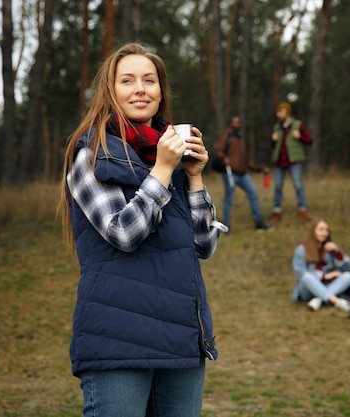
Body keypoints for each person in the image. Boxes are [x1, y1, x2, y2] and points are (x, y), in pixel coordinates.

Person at [58, 43, 221, 417]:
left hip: (181, 335)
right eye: (127, 80)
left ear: (161, 91)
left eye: (150, 80)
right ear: (110, 91)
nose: (140, 89)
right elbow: (124, 233)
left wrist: (194, 178)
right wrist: (163, 171)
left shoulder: (169, 152)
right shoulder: (91, 154)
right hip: (117, 338)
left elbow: (205, 244)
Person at [215, 116, 274, 232]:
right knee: (229, 199)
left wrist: (260, 169)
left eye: (238, 123)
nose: (236, 126)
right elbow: (219, 152)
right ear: (231, 124)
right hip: (230, 174)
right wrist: (224, 158)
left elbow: (246, 161)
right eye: (234, 123)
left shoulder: (240, 139)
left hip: (243, 174)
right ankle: (226, 226)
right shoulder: (226, 136)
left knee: (253, 193)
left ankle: (259, 222)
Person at [291, 218, 350, 312]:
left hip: (326, 286)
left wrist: (337, 252)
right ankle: (336, 301)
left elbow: (346, 267)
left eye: (326, 230)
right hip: (307, 289)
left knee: (349, 276)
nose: (324, 233)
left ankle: (319, 299)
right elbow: (300, 273)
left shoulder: (331, 248)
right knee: (306, 276)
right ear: (313, 231)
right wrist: (324, 276)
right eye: (320, 230)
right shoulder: (301, 250)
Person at [269, 102, 312, 224]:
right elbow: (273, 146)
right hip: (279, 162)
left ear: (286, 112)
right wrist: (273, 140)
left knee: (298, 186)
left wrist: (300, 137)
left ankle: (302, 212)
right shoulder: (277, 127)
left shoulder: (298, 125)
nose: (278, 114)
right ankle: (276, 213)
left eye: (280, 112)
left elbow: (309, 140)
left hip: (294, 162)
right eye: (278, 112)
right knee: (277, 187)